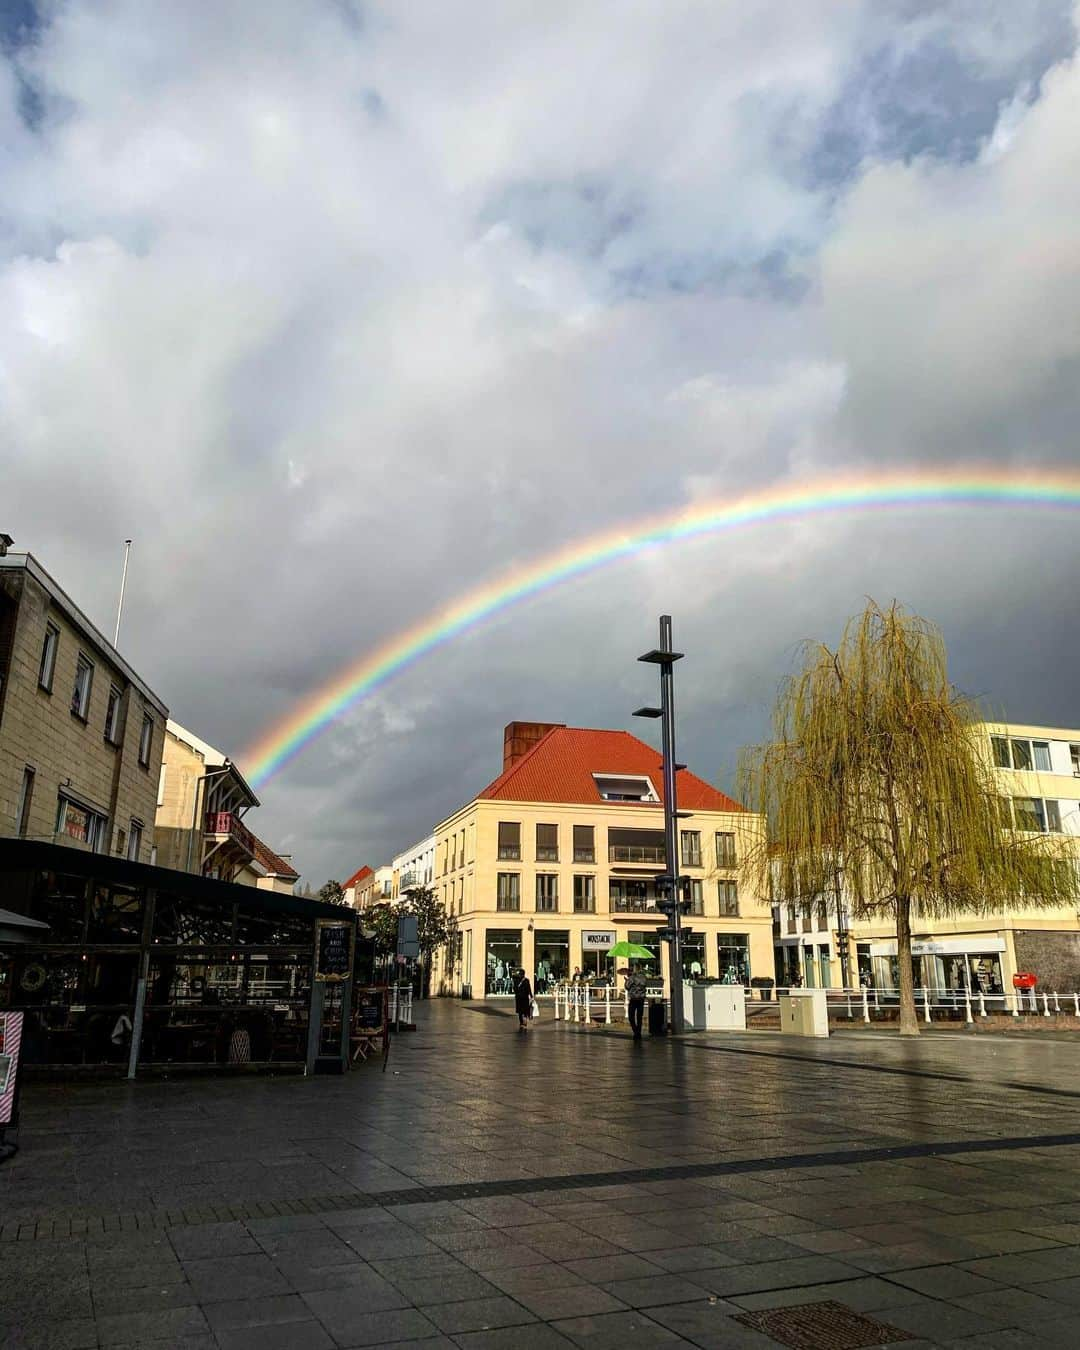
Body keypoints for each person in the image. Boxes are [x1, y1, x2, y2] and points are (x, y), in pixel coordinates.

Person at [621, 965, 647, 1040]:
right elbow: (644, 985)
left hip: (634, 999)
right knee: (639, 1017)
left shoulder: (632, 977)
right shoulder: (643, 977)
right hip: (641, 999)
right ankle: (639, 1032)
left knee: (631, 1016)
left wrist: (626, 980)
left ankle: (636, 1032)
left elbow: (627, 987)